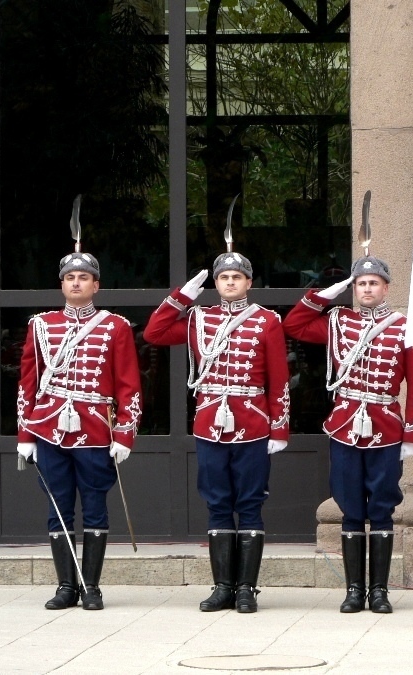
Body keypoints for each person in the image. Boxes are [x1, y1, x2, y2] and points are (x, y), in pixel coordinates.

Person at [143, 250, 290, 614]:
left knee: (250, 504)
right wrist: (182, 295)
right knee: (217, 503)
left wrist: (279, 427)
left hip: (253, 421)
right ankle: (223, 586)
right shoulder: (198, 319)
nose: (229, 282)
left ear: (248, 283)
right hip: (210, 422)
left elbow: (279, 378)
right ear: (216, 283)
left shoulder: (266, 321)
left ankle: (246, 589)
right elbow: (154, 332)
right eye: (223, 278)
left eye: (236, 277)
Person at [283, 255, 413, 615]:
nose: (367, 289)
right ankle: (353, 590)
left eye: (373, 283)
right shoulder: (337, 322)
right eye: (361, 284)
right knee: (349, 507)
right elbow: (295, 325)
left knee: (381, 507)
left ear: (385, 288)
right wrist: (320, 296)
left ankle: (378, 591)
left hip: (385, 425)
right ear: (354, 289)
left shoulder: (403, 327)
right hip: (346, 424)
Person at [16, 250, 142, 611]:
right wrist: (25, 436)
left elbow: (128, 385)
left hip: (95, 429)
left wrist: (125, 433)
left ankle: (92, 588)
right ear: (62, 284)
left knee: (95, 506)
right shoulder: (40, 325)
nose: (76, 282)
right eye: (70, 277)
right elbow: (28, 384)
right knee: (58, 508)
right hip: (49, 427)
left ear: (96, 285)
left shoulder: (114, 326)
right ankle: (65, 587)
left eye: (83, 277)